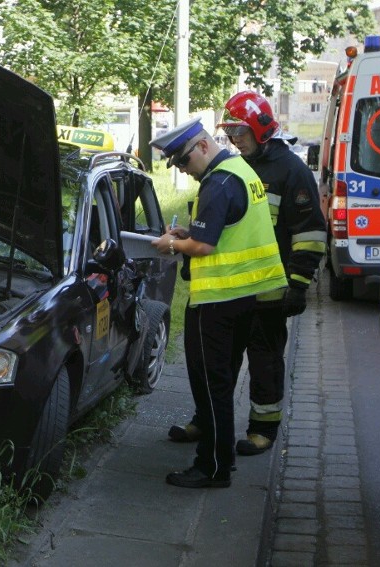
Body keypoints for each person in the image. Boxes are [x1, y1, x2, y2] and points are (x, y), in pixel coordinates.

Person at [167, 93, 327, 458]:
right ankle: (206, 420)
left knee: (265, 359)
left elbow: (311, 234)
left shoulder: (292, 171)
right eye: (230, 131)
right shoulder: (239, 167)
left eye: (240, 130)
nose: (235, 138)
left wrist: (298, 285)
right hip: (233, 288)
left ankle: (262, 428)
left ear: (261, 128)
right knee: (218, 363)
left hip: (271, 289)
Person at [150, 118, 287, 488]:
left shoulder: (218, 182)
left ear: (203, 147)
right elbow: (229, 228)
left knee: (212, 386)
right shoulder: (239, 170)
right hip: (242, 298)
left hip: (215, 303)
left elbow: (206, 246)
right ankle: (220, 457)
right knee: (221, 383)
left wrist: (173, 244)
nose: (183, 170)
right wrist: (188, 232)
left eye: (183, 161)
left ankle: (212, 468)